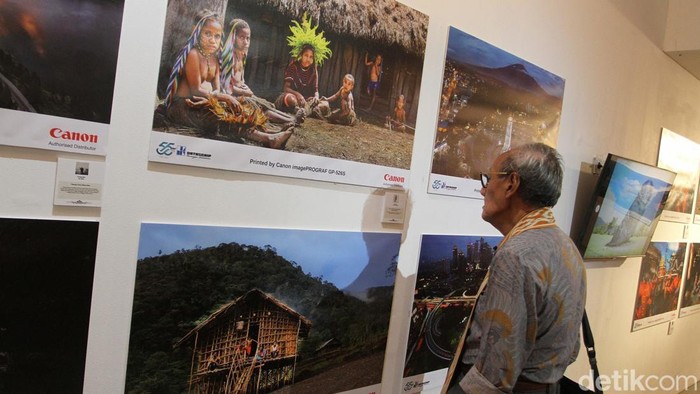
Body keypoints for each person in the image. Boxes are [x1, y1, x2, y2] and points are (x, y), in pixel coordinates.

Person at [445, 143, 586, 394]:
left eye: (489, 179)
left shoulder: (516, 255)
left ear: (511, 184)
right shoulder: (565, 245)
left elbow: (494, 375)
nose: (482, 189)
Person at [161, 11, 293, 149]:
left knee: (238, 108)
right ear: (197, 32)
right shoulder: (193, 54)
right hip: (184, 105)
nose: (213, 40)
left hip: (205, 100)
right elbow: (195, 89)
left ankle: (266, 132)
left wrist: (214, 99)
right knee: (217, 117)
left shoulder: (215, 58)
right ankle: (268, 138)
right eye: (208, 34)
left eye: (217, 36)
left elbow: (217, 88)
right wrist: (223, 98)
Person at [220, 18, 299, 127]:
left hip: (242, 93)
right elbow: (225, 87)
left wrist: (246, 89)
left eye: (248, 38)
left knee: (266, 104)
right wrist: (247, 93)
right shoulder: (228, 57)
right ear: (233, 37)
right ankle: (291, 121)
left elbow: (240, 81)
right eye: (241, 37)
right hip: (232, 97)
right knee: (258, 108)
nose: (246, 42)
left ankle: (292, 119)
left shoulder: (242, 56)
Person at [275, 14, 332, 119]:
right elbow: (286, 88)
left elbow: (315, 89)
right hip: (295, 97)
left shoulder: (314, 70)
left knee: (325, 105)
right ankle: (299, 110)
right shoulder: (293, 66)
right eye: (306, 55)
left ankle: (304, 110)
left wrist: (316, 96)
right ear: (301, 55)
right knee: (290, 99)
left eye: (311, 57)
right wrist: (298, 94)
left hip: (308, 99)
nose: (308, 59)